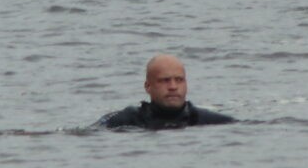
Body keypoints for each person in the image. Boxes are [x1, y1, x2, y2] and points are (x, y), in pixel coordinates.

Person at [94, 54, 235, 130]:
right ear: (148, 86)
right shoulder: (126, 120)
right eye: (165, 80)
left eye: (179, 80)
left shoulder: (210, 121)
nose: (173, 86)